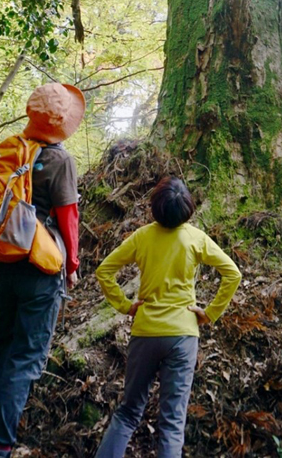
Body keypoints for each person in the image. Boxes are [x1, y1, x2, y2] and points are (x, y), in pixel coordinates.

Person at [0, 81, 85, 458]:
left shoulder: (13, 151)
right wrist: (73, 265)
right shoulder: (60, 161)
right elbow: (68, 218)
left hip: (6, 263)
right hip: (41, 269)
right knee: (26, 357)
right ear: (63, 123)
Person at [95, 176, 242, 458]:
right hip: (183, 336)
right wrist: (209, 313)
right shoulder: (196, 238)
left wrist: (125, 305)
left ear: (155, 207)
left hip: (145, 332)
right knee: (173, 421)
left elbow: (104, 270)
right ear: (187, 208)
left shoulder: (142, 236)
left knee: (128, 412)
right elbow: (233, 273)